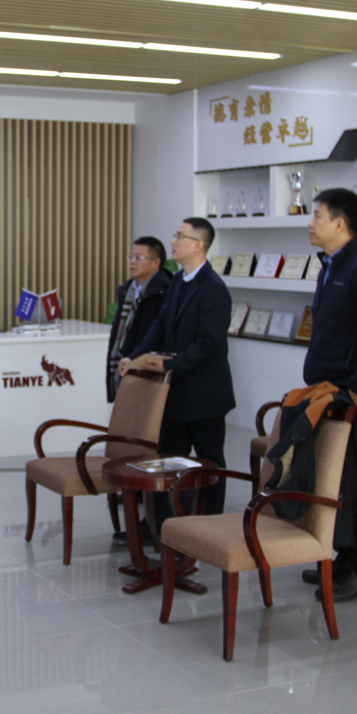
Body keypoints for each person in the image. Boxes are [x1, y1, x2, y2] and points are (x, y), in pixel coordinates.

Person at [297, 189, 357, 602]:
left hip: (351, 395)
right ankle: (339, 558)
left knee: (354, 480)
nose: (310, 223)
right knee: (332, 478)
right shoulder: (330, 265)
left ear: (340, 224)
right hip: (325, 391)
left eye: (317, 216)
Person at [121, 217, 235, 522]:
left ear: (198, 245)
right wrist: (134, 357)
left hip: (205, 393)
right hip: (175, 391)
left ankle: (209, 525)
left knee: (210, 463)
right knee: (168, 459)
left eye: (179, 236)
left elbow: (208, 344)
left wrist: (170, 364)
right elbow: (160, 326)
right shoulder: (177, 282)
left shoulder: (214, 289)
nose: (172, 241)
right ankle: (160, 525)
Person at [106, 236, 172, 403]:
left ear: (156, 262)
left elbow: (162, 333)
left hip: (148, 366)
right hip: (124, 360)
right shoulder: (126, 289)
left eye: (138, 257)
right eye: (131, 257)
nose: (132, 262)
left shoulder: (166, 291)